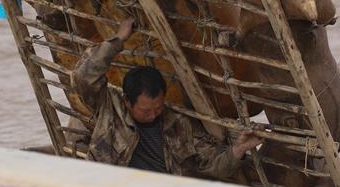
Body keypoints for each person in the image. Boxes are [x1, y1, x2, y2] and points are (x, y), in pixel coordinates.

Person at [71, 17, 264, 178]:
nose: (154, 115)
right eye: (146, 111)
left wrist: (238, 150)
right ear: (127, 101)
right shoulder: (109, 108)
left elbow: (211, 166)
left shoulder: (178, 125)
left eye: (158, 108)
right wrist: (119, 40)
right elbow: (83, 76)